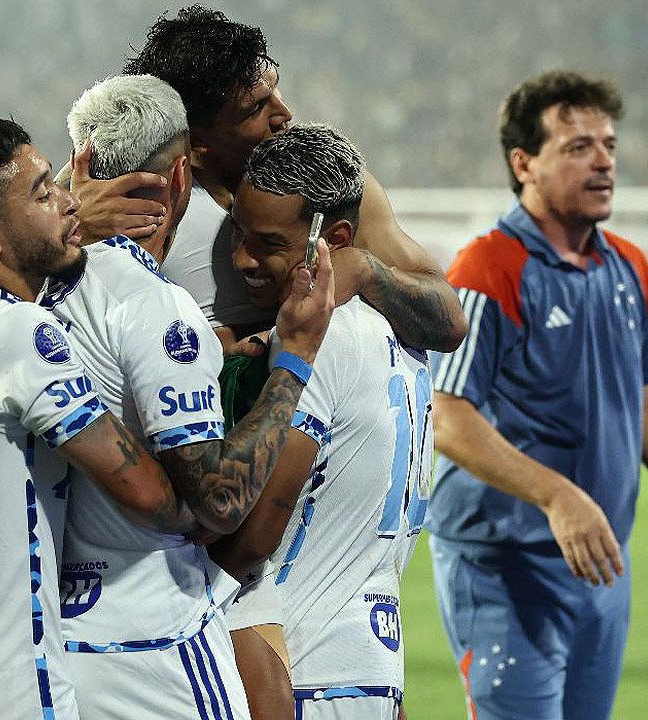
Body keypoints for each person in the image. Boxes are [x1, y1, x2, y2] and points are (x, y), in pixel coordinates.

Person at [0, 117, 195, 720]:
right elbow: (150, 494)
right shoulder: (16, 331)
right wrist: (209, 514)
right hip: (2, 689)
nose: (70, 203)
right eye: (44, 194)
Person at [427, 70, 648, 720]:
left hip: (600, 564)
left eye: (609, 145)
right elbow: (445, 417)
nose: (604, 161)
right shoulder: (488, 269)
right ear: (523, 162)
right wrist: (557, 495)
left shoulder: (629, 267)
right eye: (578, 146)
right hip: (506, 568)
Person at [45, 75, 336, 720]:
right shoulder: (154, 304)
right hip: (152, 643)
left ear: (80, 166)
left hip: (53, 640)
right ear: (181, 178)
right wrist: (293, 359)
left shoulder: (28, 298)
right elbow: (222, 501)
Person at [69, 5, 466, 356]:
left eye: (274, 88)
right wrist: (72, 231)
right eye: (256, 107)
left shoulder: (320, 182)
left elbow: (448, 324)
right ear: (198, 140)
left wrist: (365, 270)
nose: (284, 114)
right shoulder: (121, 182)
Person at [210, 123, 431, 720]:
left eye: (269, 243)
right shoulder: (405, 336)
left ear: (332, 239)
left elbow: (256, 536)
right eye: (238, 234)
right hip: (370, 666)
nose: (240, 258)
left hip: (304, 673)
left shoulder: (321, 339)